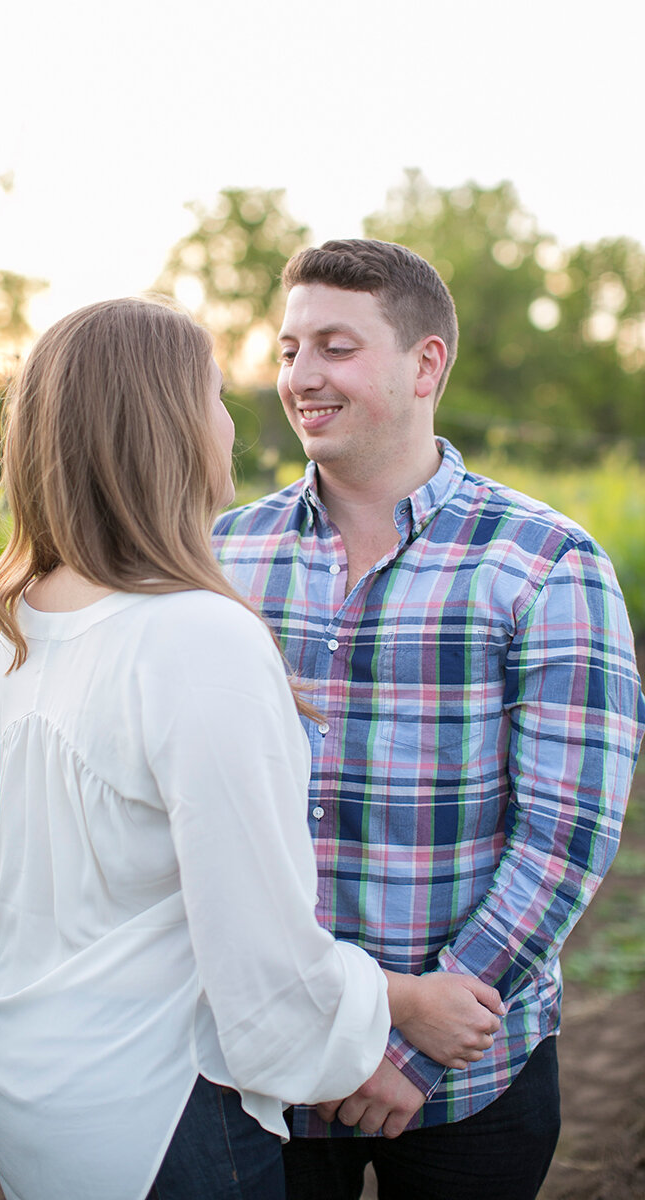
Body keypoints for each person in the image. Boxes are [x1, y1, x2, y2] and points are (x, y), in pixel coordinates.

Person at [0, 297, 504, 1200]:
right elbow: (264, 981)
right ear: (166, 429)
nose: (231, 424)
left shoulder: (33, 614)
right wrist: (405, 1004)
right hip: (161, 1109)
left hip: (38, 1082)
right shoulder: (194, 636)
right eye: (213, 397)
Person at [213, 240, 645, 1200]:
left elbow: (565, 835)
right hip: (269, 1071)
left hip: (469, 1076)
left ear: (426, 364)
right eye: (287, 350)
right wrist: (324, 1028)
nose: (300, 377)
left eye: (336, 346)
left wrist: (414, 1046)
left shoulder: (544, 562)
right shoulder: (223, 556)